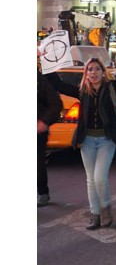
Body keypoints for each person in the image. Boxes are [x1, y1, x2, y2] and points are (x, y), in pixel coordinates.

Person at [46, 34, 116, 230]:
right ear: (86, 74)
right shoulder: (81, 92)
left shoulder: (111, 88)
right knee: (90, 179)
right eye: (89, 70)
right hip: (87, 141)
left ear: (103, 72)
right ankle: (95, 215)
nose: (93, 72)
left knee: (99, 178)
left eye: (96, 69)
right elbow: (57, 84)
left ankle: (106, 208)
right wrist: (45, 61)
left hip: (106, 140)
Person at [37, 70, 63, 207]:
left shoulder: (40, 80)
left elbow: (56, 104)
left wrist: (43, 121)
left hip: (37, 131)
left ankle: (42, 193)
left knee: (37, 164)